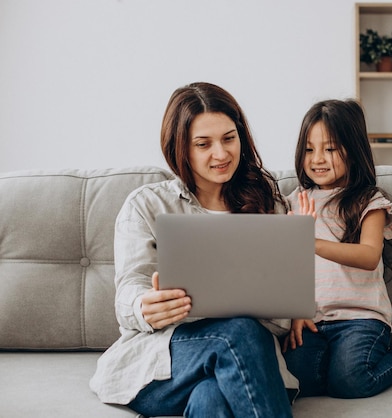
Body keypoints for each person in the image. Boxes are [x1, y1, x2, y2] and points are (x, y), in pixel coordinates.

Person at [90, 82, 295, 418]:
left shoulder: (269, 206)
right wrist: (145, 307)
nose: (221, 153)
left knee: (211, 398)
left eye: (229, 138)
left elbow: (282, 313)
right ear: (181, 149)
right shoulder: (147, 205)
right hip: (165, 366)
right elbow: (129, 289)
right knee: (237, 332)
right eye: (204, 144)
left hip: (248, 363)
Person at [281, 99, 392, 399]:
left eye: (329, 149)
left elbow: (369, 256)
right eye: (309, 149)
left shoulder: (368, 202)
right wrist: (294, 311)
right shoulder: (293, 202)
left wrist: (312, 241)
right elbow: (286, 268)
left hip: (361, 317)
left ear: (353, 151)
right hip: (313, 320)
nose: (317, 158)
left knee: (352, 381)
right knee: (298, 381)